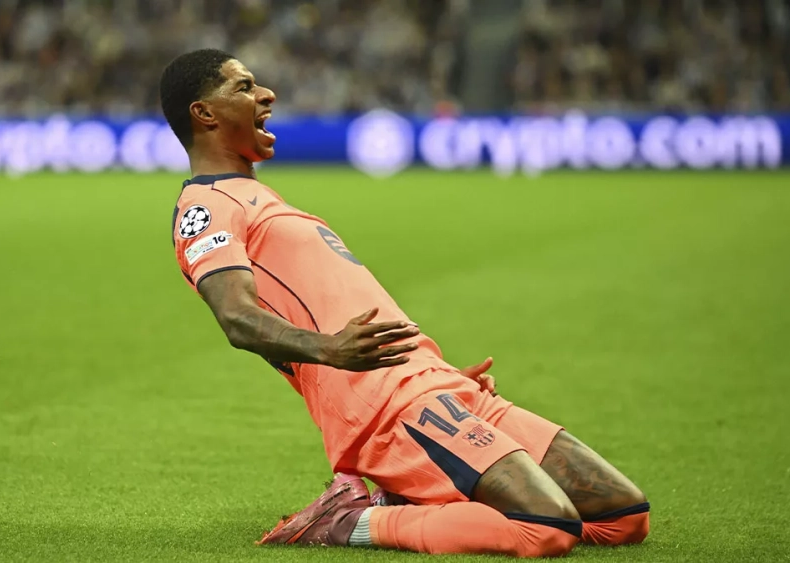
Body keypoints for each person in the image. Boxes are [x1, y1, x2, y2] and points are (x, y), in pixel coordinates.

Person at [160, 48, 649, 558]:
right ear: (205, 113)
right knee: (545, 528)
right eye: (243, 87)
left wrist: (434, 368)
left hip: (433, 381)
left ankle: (408, 494)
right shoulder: (206, 206)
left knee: (623, 516)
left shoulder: (260, 199)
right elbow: (237, 317)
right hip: (383, 402)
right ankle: (352, 521)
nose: (266, 94)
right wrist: (329, 350)